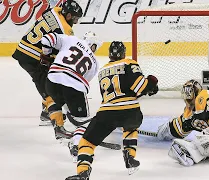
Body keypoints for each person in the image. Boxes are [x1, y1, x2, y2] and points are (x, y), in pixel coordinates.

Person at [65, 41, 159, 179]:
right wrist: (151, 84)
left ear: (110, 54)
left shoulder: (102, 70)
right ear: (123, 53)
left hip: (107, 112)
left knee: (87, 143)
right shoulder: (129, 63)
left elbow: (115, 92)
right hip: (131, 111)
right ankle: (130, 157)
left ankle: (83, 172)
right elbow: (139, 88)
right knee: (130, 128)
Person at [11, 0, 83, 128]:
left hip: (25, 48)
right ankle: (56, 123)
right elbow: (60, 56)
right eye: (75, 18)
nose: (76, 22)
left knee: (50, 80)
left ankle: (45, 112)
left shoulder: (54, 11)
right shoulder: (65, 30)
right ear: (69, 16)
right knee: (49, 89)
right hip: (31, 57)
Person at [40, 31, 101, 161]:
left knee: (64, 101)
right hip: (74, 87)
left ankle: (60, 122)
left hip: (51, 82)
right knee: (83, 122)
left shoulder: (71, 39)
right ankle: (76, 145)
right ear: (93, 46)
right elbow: (83, 81)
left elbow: (47, 39)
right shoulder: (95, 62)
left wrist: (47, 55)